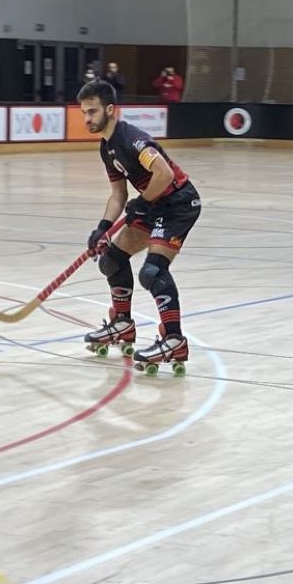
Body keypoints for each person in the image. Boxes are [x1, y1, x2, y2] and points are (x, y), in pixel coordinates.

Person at [77, 80, 201, 375]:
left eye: (92, 112)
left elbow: (164, 173)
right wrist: (102, 228)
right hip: (152, 204)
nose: (87, 119)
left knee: (153, 272)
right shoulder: (107, 147)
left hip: (177, 204)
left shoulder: (131, 139)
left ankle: (174, 340)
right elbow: (118, 194)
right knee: (111, 260)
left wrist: (143, 202)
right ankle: (122, 324)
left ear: (110, 109)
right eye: (84, 113)